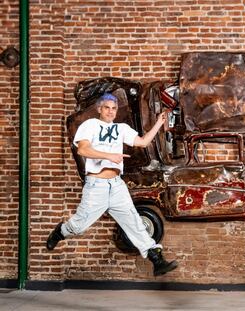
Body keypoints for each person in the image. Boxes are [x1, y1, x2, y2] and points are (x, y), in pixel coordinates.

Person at [46, 93, 178, 277]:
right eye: (106, 107)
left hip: (116, 186)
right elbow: (83, 149)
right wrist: (109, 156)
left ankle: (157, 261)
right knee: (78, 227)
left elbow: (143, 141)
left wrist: (158, 122)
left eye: (114, 108)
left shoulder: (122, 128)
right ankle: (60, 232)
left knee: (134, 222)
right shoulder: (90, 125)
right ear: (99, 109)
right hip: (96, 185)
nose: (110, 111)